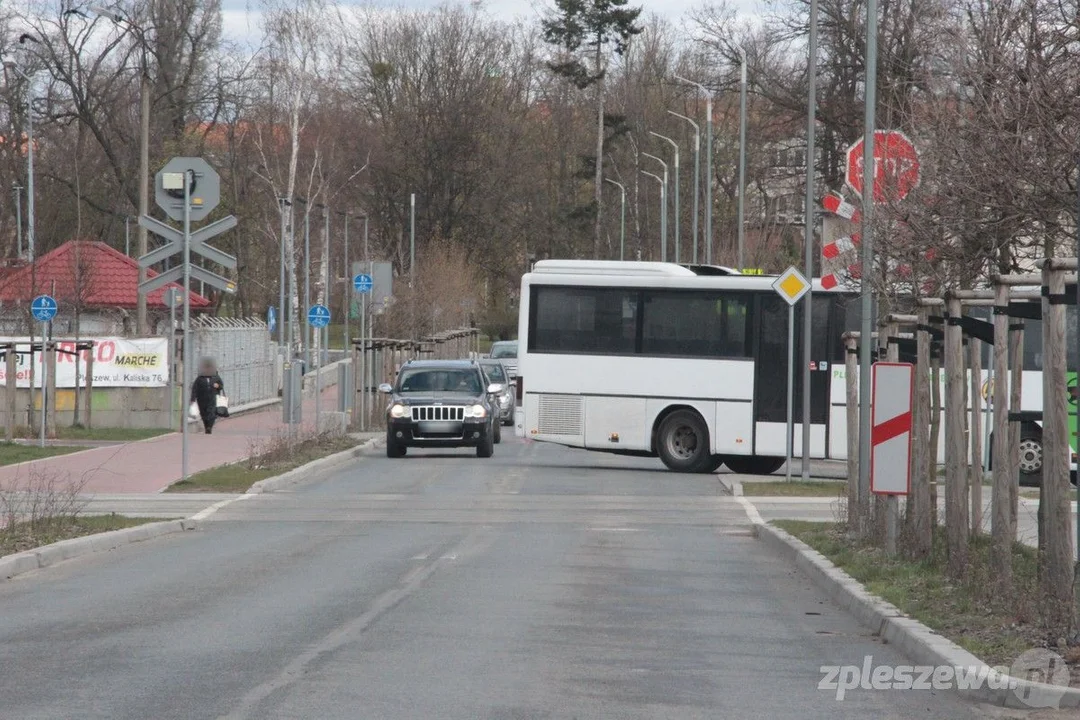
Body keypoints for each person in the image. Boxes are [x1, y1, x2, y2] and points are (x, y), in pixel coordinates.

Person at [191, 357, 224, 434]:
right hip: (202, 399)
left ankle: (210, 427)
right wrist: (193, 399)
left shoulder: (216, 377)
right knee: (204, 413)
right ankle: (206, 427)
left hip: (213, 398)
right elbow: (195, 388)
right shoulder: (200, 378)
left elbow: (221, 386)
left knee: (212, 413)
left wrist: (218, 386)